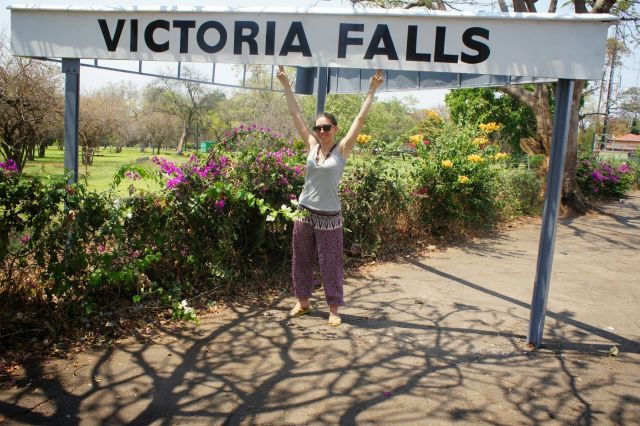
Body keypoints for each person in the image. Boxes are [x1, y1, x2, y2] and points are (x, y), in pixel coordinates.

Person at [276, 65, 385, 326]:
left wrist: (371, 90)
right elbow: (296, 115)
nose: (321, 131)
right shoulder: (312, 146)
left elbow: (359, 121)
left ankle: (334, 309)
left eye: (326, 128)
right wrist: (286, 85)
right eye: (318, 128)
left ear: (335, 129)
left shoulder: (342, 150)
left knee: (330, 263)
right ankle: (302, 302)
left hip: (329, 216)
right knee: (301, 259)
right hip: (304, 212)